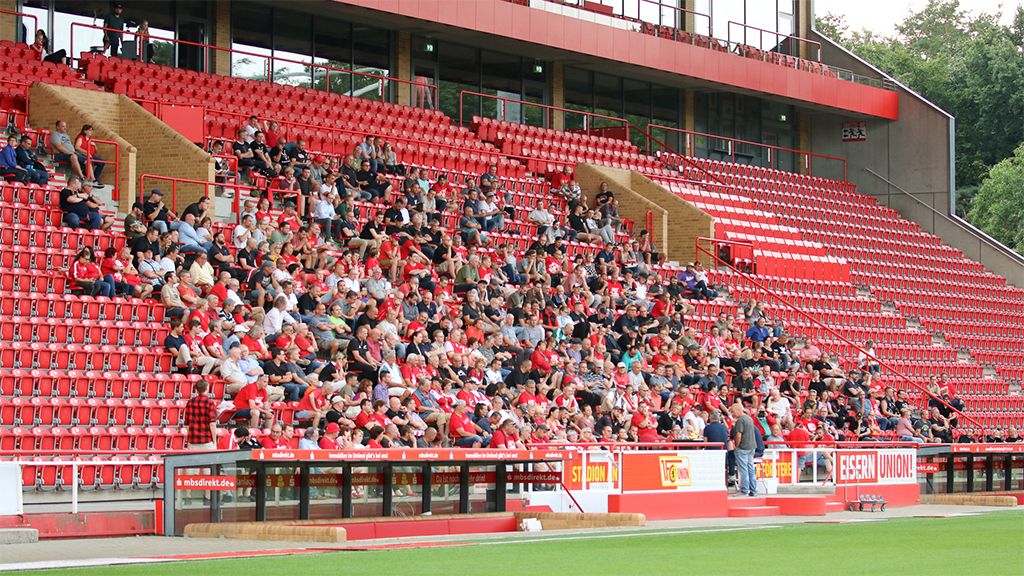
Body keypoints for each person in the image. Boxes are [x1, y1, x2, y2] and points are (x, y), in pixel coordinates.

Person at [730, 403, 758, 497]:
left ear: (738, 409)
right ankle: (753, 490)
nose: (732, 414)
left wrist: (737, 446)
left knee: (743, 470)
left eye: (733, 411)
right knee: (750, 469)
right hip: (751, 447)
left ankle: (744, 490)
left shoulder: (740, 421)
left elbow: (738, 435)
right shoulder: (749, 418)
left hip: (743, 447)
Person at [184, 380, 217, 450]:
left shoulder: (190, 402)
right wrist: (214, 441)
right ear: (207, 388)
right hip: (206, 440)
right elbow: (212, 424)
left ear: (196, 390)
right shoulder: (210, 402)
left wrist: (188, 439)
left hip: (192, 440)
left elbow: (187, 424)